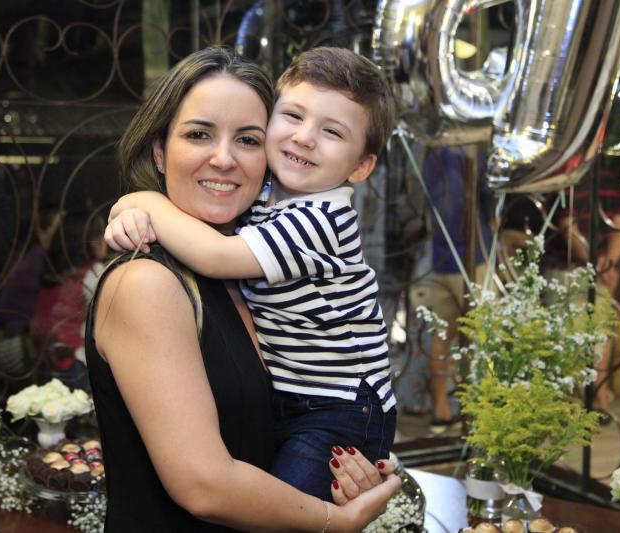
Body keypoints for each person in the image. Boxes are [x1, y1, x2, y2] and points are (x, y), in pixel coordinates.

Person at [89, 46, 400, 531]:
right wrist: (334, 521)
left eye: (248, 139)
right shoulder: (147, 282)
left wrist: (344, 481)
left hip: (341, 409)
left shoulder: (253, 254)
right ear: (158, 151)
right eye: (198, 134)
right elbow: (205, 486)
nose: (224, 158)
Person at [409, 147, 492, 433]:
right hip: (471, 255)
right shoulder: (469, 151)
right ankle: (480, 412)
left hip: (441, 256)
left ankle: (441, 410)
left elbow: (427, 203)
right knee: (482, 334)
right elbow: (484, 197)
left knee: (442, 335)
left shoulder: (434, 152)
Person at [544, 166, 620, 415]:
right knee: (571, 334)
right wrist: (601, 264)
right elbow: (568, 229)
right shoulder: (563, 176)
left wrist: (607, 263)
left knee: (600, 330)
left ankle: (597, 398)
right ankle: (584, 401)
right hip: (567, 269)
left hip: (597, 269)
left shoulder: (604, 176)